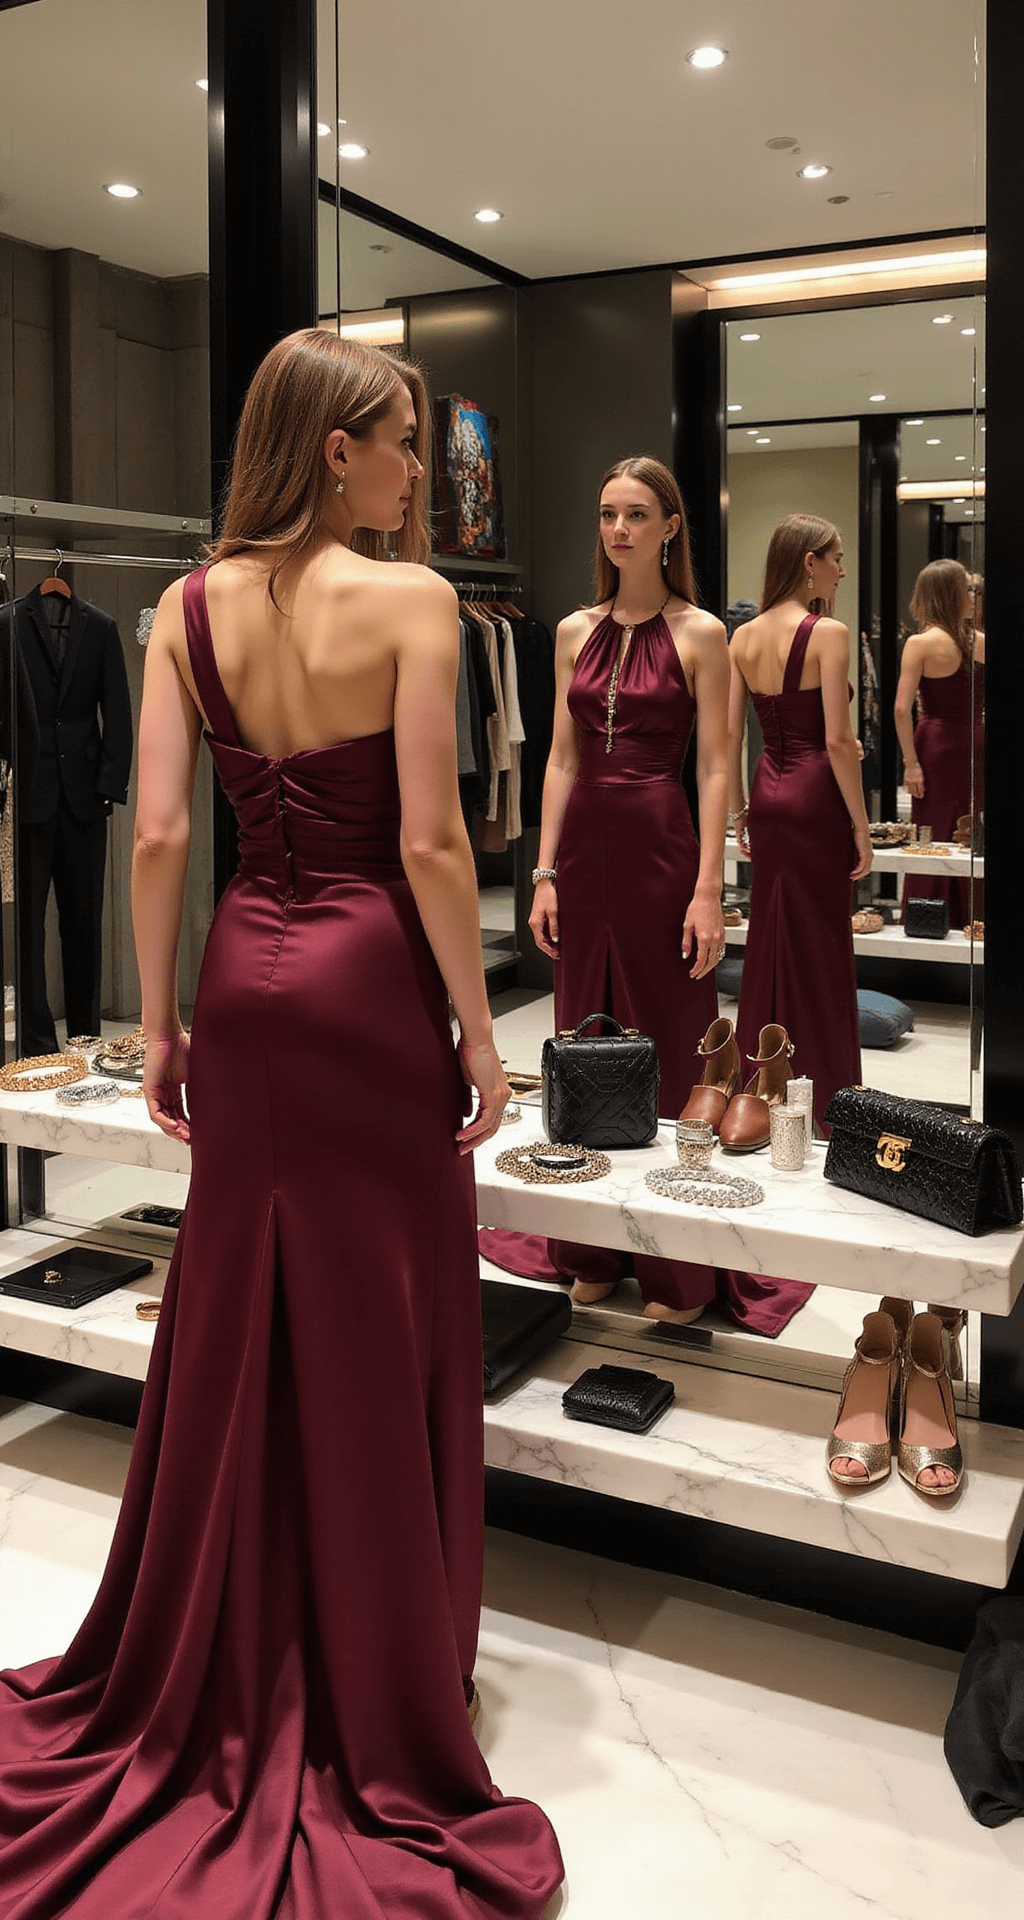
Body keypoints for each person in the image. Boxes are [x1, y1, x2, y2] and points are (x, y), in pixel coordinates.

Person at [0, 330, 563, 1918]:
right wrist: (478, 1030)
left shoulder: (181, 607)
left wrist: (162, 1021)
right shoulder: (414, 605)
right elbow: (438, 841)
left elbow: (163, 827)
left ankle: (218, 1657)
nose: (412, 474)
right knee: (382, 1322)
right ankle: (383, 1673)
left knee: (241, 1317)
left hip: (245, 983)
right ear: (332, 451)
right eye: (396, 444)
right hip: (374, 983)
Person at [481, 457, 810, 1336]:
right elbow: (557, 758)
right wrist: (544, 872)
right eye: (605, 515)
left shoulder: (702, 631)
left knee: (672, 1041)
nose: (618, 529)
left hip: (665, 847)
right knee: (580, 1034)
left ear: (670, 526)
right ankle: (588, 1249)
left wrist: (710, 888)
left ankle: (676, 1259)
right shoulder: (570, 630)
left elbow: (714, 765)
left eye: (635, 515)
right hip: (584, 852)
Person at [727, 513, 871, 1140]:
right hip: (815, 796)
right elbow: (839, 742)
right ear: (808, 562)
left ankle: (764, 1084)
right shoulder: (829, 633)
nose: (842, 569)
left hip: (768, 786)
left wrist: (739, 811)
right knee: (821, 944)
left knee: (771, 935)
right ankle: (828, 1095)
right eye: (835, 557)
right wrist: (862, 827)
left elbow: (730, 739)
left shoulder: (744, 637)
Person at [896, 557, 984, 926]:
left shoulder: (920, 644)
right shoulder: (981, 642)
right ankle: (973, 921)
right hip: (976, 742)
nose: (973, 595)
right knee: (972, 830)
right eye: (967, 588)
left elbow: (902, 709)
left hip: (935, 745)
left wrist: (910, 762)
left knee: (931, 832)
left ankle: (926, 918)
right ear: (950, 594)